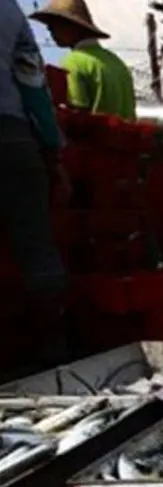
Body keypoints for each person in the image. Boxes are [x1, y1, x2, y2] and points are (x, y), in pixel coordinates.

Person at [1, 0, 69, 362]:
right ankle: (52, 347)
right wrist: (52, 146)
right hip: (11, 136)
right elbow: (31, 81)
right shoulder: (10, 11)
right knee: (36, 244)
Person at [30, 0, 134, 121]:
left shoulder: (73, 62)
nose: (49, 31)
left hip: (95, 138)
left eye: (54, 25)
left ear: (72, 26)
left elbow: (77, 114)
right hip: (128, 138)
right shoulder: (116, 61)